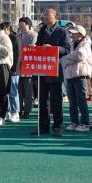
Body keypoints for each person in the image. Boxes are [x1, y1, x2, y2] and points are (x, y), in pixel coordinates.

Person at [30, 8, 72, 137]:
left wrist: (53, 49)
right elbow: (38, 45)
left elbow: (67, 49)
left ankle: (58, 127)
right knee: (43, 100)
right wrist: (34, 48)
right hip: (42, 69)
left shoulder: (62, 31)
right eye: (44, 14)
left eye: (48, 14)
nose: (45, 16)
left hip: (55, 69)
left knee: (56, 100)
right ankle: (43, 127)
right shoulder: (42, 30)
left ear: (55, 17)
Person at [62, 23, 92, 132]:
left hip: (80, 75)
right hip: (70, 75)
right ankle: (74, 122)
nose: (72, 35)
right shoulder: (72, 44)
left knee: (81, 100)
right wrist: (70, 58)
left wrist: (66, 59)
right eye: (72, 33)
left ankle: (85, 123)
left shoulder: (86, 44)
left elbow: (80, 55)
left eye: (74, 33)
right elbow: (74, 56)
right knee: (72, 101)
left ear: (81, 34)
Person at [17, 17, 38, 120]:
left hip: (28, 65)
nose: (21, 27)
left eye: (23, 25)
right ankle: (19, 109)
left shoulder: (34, 35)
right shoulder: (18, 36)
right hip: (19, 65)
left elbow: (33, 48)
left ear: (28, 25)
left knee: (28, 90)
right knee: (19, 89)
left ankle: (27, 110)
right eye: (20, 25)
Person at [3, 21, 23, 123]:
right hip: (5, 69)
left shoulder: (15, 38)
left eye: (3, 30)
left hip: (14, 70)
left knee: (13, 91)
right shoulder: (3, 38)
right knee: (6, 92)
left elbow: (18, 55)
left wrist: (15, 69)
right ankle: (8, 111)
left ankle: (16, 112)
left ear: (8, 29)